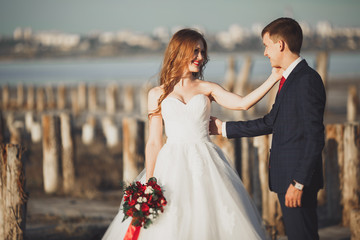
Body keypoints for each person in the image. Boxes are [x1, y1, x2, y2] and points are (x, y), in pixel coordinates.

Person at [102, 28, 282, 240]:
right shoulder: (157, 94)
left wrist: (274, 78)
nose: (200, 57)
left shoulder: (207, 88)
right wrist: (150, 181)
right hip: (170, 165)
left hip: (205, 162)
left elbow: (243, 103)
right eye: (195, 51)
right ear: (179, 51)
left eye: (202, 52)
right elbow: (153, 142)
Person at [210, 18, 326, 240]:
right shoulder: (290, 79)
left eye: (266, 46)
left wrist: (299, 182)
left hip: (296, 180)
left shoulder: (306, 80)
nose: (265, 53)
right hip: (288, 179)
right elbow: (271, 122)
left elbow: (315, 137)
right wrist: (223, 128)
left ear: (280, 44)